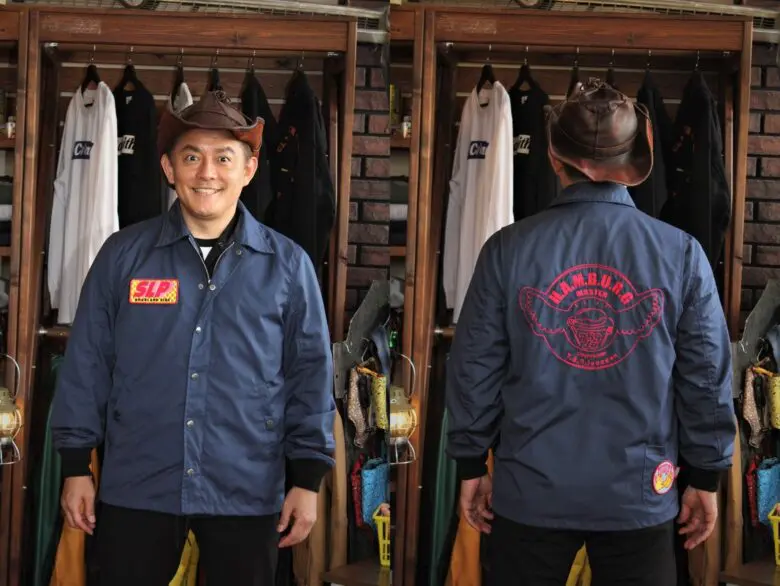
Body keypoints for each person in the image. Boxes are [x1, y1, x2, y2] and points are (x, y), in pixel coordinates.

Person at [446, 78, 735, 585]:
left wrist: (471, 463)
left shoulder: (506, 251)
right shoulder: (682, 254)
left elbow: (474, 367)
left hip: (530, 490)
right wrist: (706, 474)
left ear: (554, 157)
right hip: (639, 495)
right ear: (635, 162)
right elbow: (706, 376)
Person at [50, 90, 336, 586]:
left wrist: (307, 479)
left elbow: (310, 374)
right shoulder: (122, 256)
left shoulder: (289, 266)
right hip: (139, 483)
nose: (207, 173)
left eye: (224, 158)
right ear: (168, 168)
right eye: (191, 157)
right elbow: (87, 363)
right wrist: (76, 466)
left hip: (246, 487)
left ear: (248, 170)